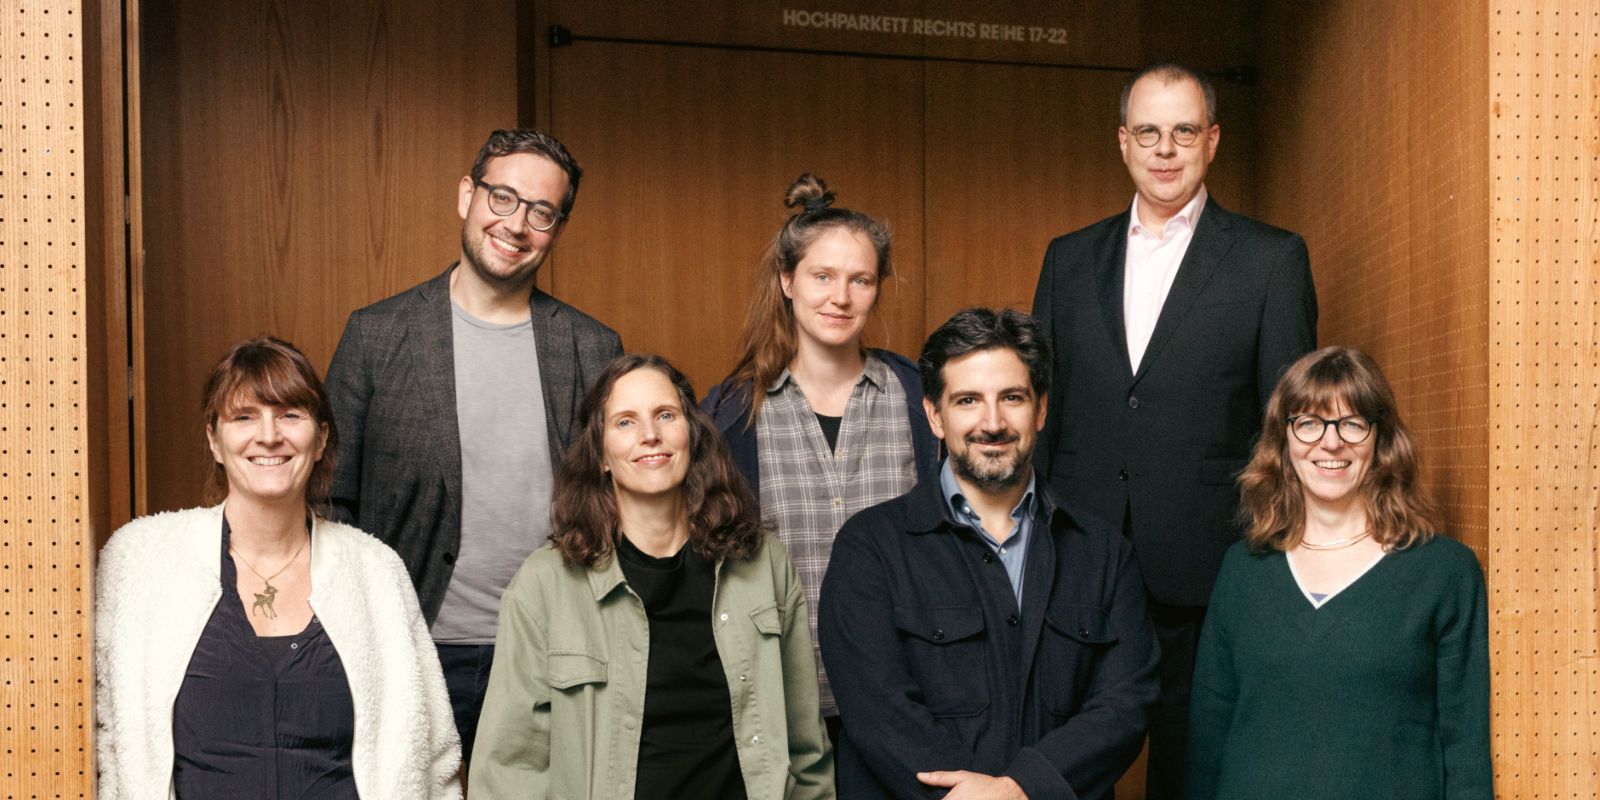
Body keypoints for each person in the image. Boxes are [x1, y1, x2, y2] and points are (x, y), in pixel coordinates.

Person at [1030, 62, 1318, 798]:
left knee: (1190, 774)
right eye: (1149, 132)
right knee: (1057, 764)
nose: (1166, 149)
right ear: (1123, 142)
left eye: (1184, 131)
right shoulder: (1068, 260)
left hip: (1207, 568)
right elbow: (1045, 411)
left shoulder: (1270, 259)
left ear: (1212, 140)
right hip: (1075, 559)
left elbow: (1286, 428)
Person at [325, 128, 622, 763]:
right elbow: (328, 504)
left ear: (557, 228)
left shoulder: (592, 347)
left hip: (551, 648)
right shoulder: (377, 335)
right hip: (414, 644)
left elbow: (618, 503)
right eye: (503, 198)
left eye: (541, 212)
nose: (517, 225)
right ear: (468, 195)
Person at [95, 336, 460, 799]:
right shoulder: (140, 563)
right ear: (214, 439)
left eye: (290, 414)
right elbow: (104, 741)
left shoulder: (377, 574)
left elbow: (436, 759)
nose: (268, 435)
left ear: (321, 437)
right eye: (244, 417)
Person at [819, 308, 1159, 800]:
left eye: (1012, 398)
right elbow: (879, 711)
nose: (992, 422)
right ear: (935, 415)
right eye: (968, 400)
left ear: (1041, 409)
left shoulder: (1104, 552)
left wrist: (1022, 788)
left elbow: (1127, 703)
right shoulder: (870, 548)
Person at [471, 354, 834, 799]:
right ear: (601, 454)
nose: (649, 435)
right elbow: (508, 769)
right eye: (625, 422)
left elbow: (806, 746)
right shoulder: (543, 585)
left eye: (666, 415)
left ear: (692, 435)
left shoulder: (763, 563)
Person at [1184, 346, 1490, 799]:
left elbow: (1466, 754)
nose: (1331, 442)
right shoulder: (1242, 571)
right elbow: (1206, 748)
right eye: (1308, 423)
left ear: (1381, 440)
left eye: (1352, 423)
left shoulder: (1444, 574)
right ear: (1282, 442)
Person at [703, 174, 937, 741]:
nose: (841, 297)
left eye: (860, 279)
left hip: (904, 689)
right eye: (822, 276)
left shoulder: (917, 398)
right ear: (787, 280)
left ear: (878, 286)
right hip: (777, 692)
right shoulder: (734, 410)